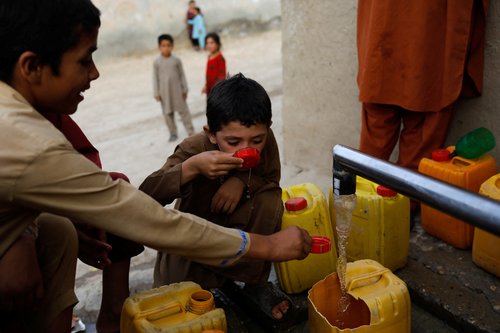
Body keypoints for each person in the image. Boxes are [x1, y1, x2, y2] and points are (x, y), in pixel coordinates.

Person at [0, 1, 312, 332]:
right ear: (32, 67)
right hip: (192, 264)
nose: (95, 73)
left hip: (230, 260)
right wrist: (268, 245)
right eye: (84, 60)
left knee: (58, 230)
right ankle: (111, 318)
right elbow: (142, 214)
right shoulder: (30, 141)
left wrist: (21, 234)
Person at [140, 73, 293, 323]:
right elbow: (145, 197)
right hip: (194, 240)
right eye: (233, 141)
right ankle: (213, 282)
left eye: (257, 140)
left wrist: (241, 181)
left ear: (267, 128)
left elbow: (270, 178)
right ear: (211, 133)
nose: (248, 149)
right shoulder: (194, 149)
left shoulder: (265, 139)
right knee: (178, 303)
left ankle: (253, 284)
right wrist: (191, 168)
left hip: (239, 232)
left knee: (270, 199)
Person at [356, 0, 488, 216]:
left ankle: (364, 207)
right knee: (426, 111)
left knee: (380, 117)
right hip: (429, 30)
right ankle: (397, 209)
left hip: (384, 34)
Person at [42, 112, 144, 333]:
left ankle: (115, 313)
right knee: (57, 230)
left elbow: (82, 161)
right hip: (18, 218)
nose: (94, 75)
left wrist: (84, 209)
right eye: (84, 72)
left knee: (115, 188)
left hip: (50, 199)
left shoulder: (44, 110)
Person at [154, 34, 195, 142]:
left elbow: (182, 75)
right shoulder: (157, 62)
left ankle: (190, 130)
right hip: (164, 93)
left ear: (172, 46)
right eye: (163, 46)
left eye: (168, 45)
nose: (166, 48)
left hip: (177, 91)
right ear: (159, 47)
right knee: (168, 114)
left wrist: (185, 88)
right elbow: (155, 78)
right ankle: (173, 133)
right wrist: (156, 93)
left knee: (184, 111)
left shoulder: (176, 60)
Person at [202, 32, 226, 97]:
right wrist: (206, 86)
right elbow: (209, 74)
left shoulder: (220, 58)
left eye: (212, 43)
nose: (209, 45)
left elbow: (222, 76)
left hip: (217, 90)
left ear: (218, 44)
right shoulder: (209, 57)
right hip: (209, 89)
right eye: (207, 43)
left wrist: (218, 90)